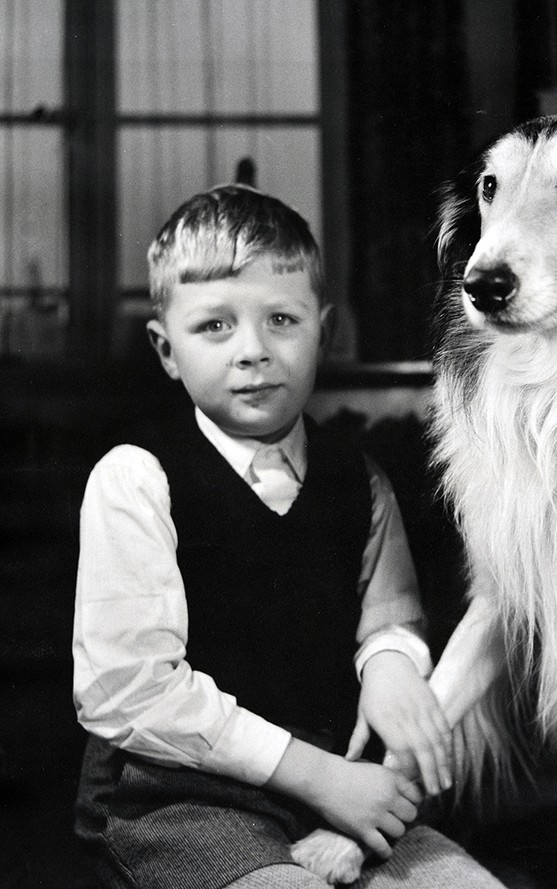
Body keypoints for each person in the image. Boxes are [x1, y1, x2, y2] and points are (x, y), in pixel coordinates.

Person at [72, 184, 507, 889]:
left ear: (323, 333)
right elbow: (129, 692)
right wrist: (325, 778)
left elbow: (389, 618)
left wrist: (391, 665)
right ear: (165, 349)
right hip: (178, 801)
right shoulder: (135, 481)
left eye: (281, 319)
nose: (253, 351)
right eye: (214, 326)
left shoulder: (359, 481)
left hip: (335, 792)